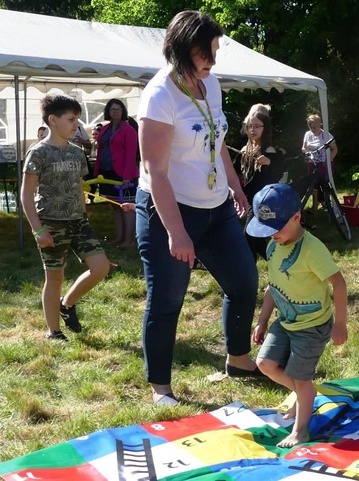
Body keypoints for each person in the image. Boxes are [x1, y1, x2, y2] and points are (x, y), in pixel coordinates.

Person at [135, 10, 262, 406]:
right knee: (168, 298)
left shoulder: (212, 84)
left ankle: (238, 359)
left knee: (244, 282)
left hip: (217, 206)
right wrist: (176, 232)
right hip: (168, 211)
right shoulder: (159, 95)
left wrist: (235, 186)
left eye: (214, 50)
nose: (213, 59)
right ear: (183, 49)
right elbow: (154, 170)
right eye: (206, 51)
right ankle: (161, 389)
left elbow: (218, 140)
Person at [248, 183, 348, 448]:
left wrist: (340, 323)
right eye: (266, 229)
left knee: (302, 378)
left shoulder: (312, 250)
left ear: (297, 217)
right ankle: (304, 394)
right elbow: (272, 286)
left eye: (276, 228)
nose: (271, 235)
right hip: (285, 322)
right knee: (265, 364)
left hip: (312, 326)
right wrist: (262, 320)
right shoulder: (272, 247)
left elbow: (338, 283)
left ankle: (300, 430)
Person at [20, 94, 111, 341]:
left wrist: (84, 214)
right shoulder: (39, 153)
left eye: (77, 120)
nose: (76, 125)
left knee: (101, 267)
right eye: (71, 119)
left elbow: (79, 186)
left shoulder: (76, 152)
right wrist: (38, 230)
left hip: (78, 221)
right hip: (50, 222)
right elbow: (26, 195)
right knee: (55, 276)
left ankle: (67, 304)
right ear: (52, 120)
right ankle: (54, 332)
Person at [238, 108, 284, 260]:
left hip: (265, 201)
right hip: (252, 200)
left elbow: (278, 172)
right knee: (255, 238)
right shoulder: (246, 149)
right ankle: (275, 263)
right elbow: (236, 172)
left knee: (249, 235)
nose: (253, 129)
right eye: (250, 126)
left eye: (257, 126)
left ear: (265, 128)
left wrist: (268, 162)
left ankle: (253, 270)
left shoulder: (268, 149)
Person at [94, 99, 139, 247]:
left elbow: (131, 154)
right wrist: (96, 172)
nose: (115, 112)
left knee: (127, 207)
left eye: (118, 109)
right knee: (115, 206)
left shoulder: (129, 130)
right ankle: (119, 238)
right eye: (113, 109)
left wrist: (126, 176)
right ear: (108, 111)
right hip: (107, 173)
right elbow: (100, 150)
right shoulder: (105, 129)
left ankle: (129, 240)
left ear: (123, 111)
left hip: (125, 175)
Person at [301, 114, 337, 214]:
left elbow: (335, 149)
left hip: (324, 164)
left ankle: (324, 202)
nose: (312, 129)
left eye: (314, 127)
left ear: (319, 124)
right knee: (313, 184)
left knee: (320, 182)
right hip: (312, 162)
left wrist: (328, 160)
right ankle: (319, 204)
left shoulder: (326, 135)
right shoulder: (307, 134)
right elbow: (304, 147)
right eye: (310, 126)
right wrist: (306, 152)